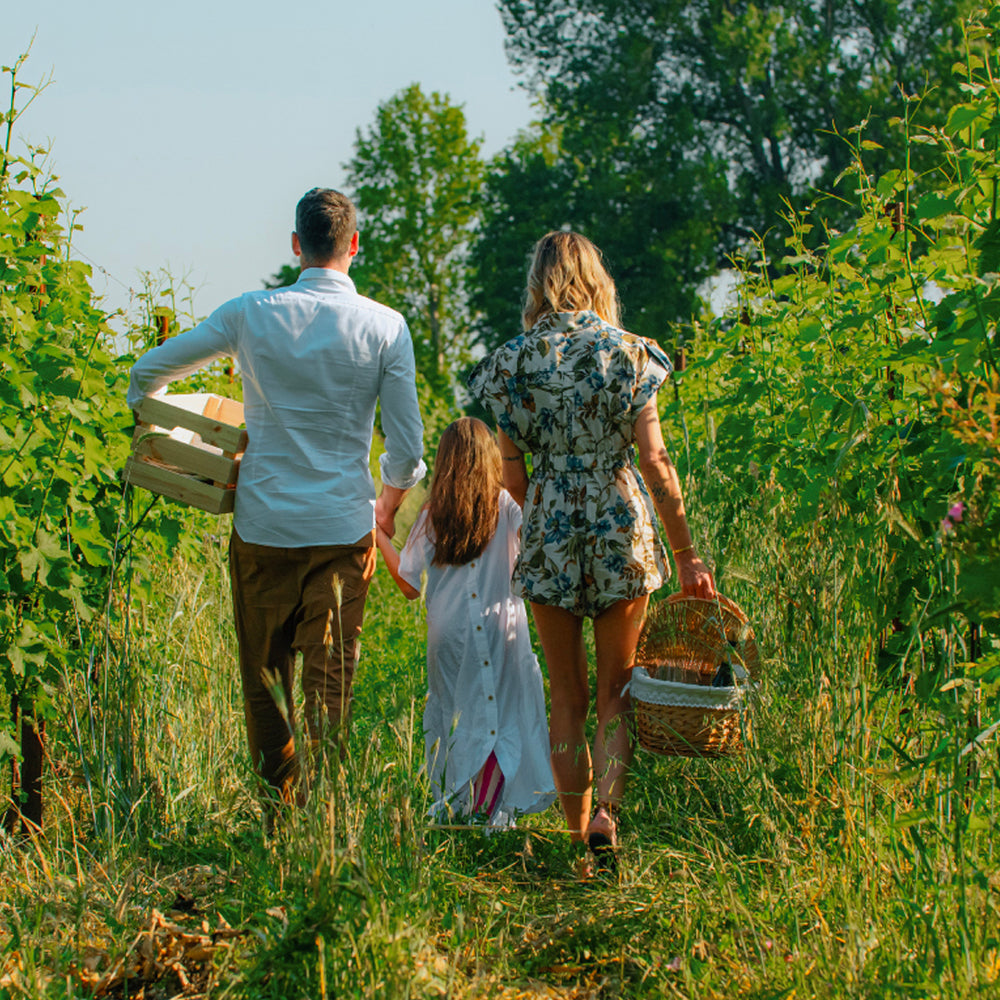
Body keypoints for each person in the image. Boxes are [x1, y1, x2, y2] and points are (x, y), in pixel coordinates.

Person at [127, 188, 426, 805]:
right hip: (343, 530)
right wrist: (386, 509)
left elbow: (147, 375)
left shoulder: (250, 313)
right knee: (329, 685)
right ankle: (326, 822)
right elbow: (406, 448)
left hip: (262, 527)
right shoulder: (386, 327)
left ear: (296, 244)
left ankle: (278, 818)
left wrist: (167, 441)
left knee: (267, 682)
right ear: (354, 245)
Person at [467, 231, 715, 870]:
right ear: (596, 280)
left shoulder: (512, 363)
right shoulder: (629, 355)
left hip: (549, 528)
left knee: (567, 696)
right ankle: (607, 810)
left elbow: (511, 474)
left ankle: (576, 837)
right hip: (619, 528)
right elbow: (655, 460)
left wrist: (546, 501)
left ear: (537, 284)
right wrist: (687, 554)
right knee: (616, 691)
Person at [376, 417, 556, 827]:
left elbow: (408, 584)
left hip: (448, 634)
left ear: (445, 461)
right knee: (500, 717)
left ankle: (465, 804)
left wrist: (379, 536)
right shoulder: (505, 505)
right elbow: (536, 546)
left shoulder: (433, 513)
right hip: (501, 629)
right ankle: (480, 810)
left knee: (459, 717)